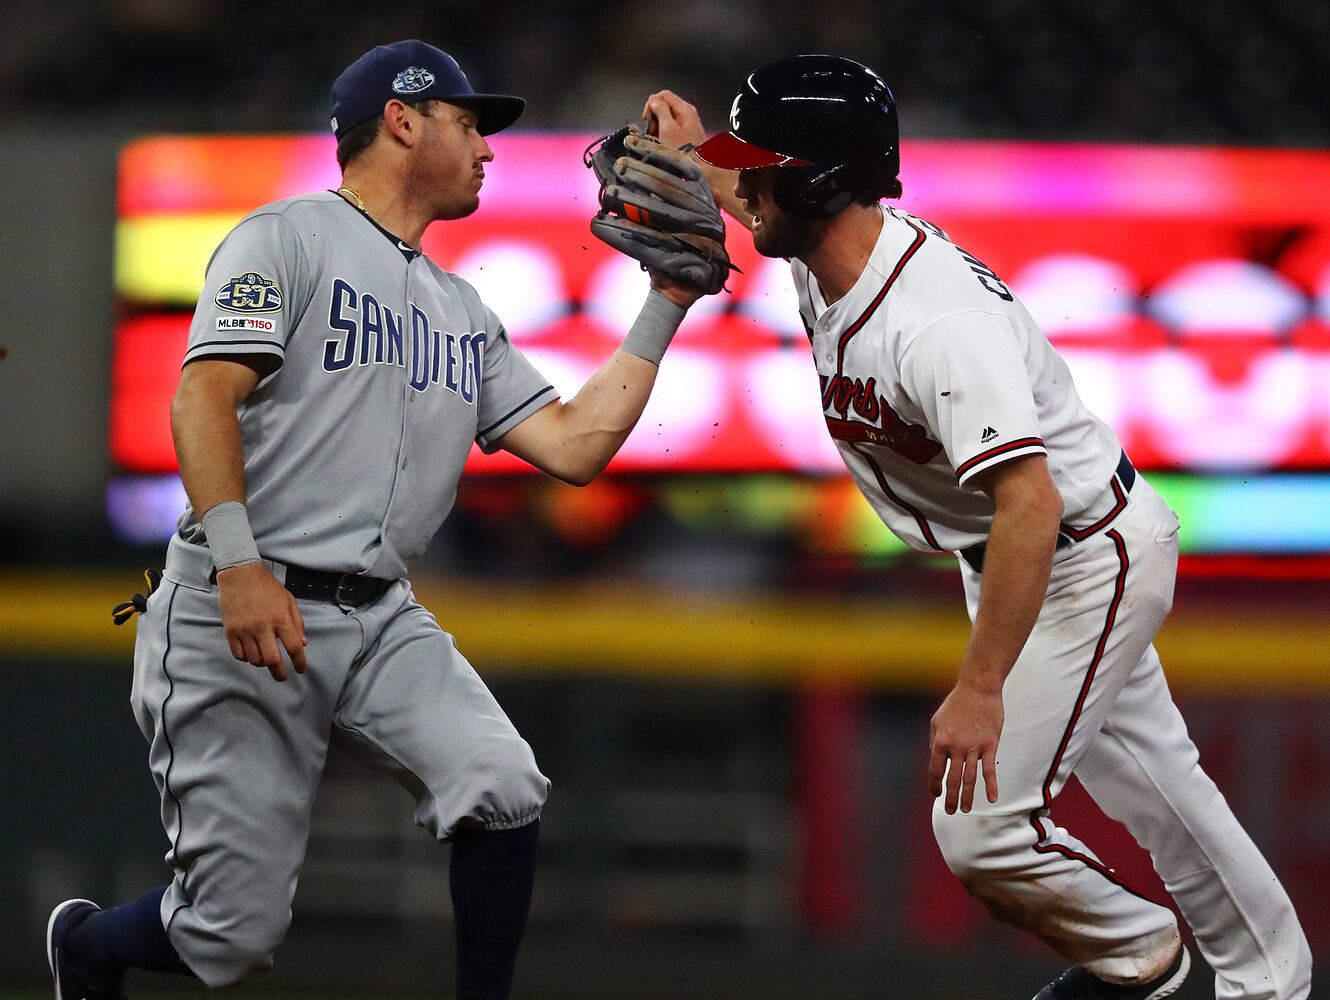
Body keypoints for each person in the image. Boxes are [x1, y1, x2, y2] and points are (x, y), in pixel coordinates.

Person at [47, 39, 711, 1000]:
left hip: (379, 615)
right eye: (469, 123)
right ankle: (93, 948)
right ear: (403, 118)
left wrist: (663, 305)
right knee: (229, 939)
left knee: (503, 786)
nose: (487, 148)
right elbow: (202, 400)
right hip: (242, 599)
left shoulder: (459, 306)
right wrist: (238, 566)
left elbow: (574, 446)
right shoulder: (286, 237)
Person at [644, 55, 1312, 1000]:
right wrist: (691, 154)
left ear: (816, 180)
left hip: (1077, 551)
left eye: (754, 167)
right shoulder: (828, 236)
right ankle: (1272, 986)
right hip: (1027, 553)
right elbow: (760, 188)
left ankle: (1140, 961)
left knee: (984, 827)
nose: (738, 186)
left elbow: (1029, 501)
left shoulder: (931, 320)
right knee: (1163, 795)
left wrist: (979, 685)